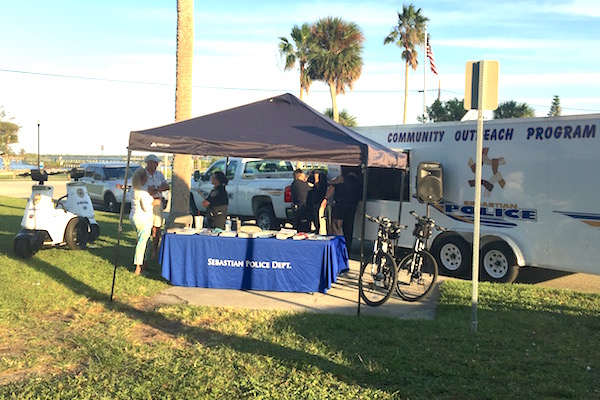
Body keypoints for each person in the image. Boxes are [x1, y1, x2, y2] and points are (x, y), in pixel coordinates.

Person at [320, 170, 362, 253]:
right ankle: (347, 250)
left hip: (340, 206)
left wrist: (325, 198)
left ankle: (336, 248)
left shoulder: (341, 179)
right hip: (352, 207)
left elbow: (331, 187)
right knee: (348, 229)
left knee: (336, 227)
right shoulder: (359, 183)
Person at [129, 168, 160, 275]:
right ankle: (139, 266)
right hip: (144, 218)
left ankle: (145, 263)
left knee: (141, 239)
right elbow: (147, 207)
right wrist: (155, 202)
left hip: (134, 216)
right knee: (143, 242)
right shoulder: (143, 192)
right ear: (144, 178)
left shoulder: (133, 189)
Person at [141, 154, 169, 260]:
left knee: (157, 227)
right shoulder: (142, 174)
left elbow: (166, 186)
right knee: (146, 226)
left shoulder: (159, 174)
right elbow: (144, 188)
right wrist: (158, 188)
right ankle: (145, 251)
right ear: (149, 163)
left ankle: (155, 251)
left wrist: (156, 189)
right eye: (154, 162)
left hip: (157, 201)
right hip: (146, 202)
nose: (156, 164)